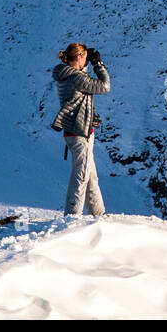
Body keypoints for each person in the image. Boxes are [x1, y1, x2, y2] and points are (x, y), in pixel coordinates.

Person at [51, 42, 109, 217]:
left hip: (77, 131)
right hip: (80, 134)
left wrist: (90, 117)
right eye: (85, 59)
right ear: (78, 58)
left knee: (90, 176)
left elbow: (80, 99)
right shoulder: (77, 79)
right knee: (81, 177)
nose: (87, 62)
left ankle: (98, 214)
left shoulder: (67, 75)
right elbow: (104, 86)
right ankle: (72, 217)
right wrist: (98, 65)